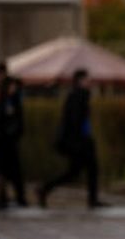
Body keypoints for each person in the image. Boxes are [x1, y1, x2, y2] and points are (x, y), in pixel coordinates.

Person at [39, 68, 102, 208]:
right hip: (78, 142)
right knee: (89, 168)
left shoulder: (76, 94)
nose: (89, 82)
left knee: (75, 171)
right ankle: (92, 200)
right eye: (86, 79)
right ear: (80, 80)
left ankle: (45, 189)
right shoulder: (79, 95)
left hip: (78, 141)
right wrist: (83, 140)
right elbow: (75, 121)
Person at [0, 62, 27, 207]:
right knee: (2, 171)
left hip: (6, 141)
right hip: (1, 142)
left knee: (7, 171)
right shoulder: (1, 101)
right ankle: (1, 197)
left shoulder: (12, 100)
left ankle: (6, 198)